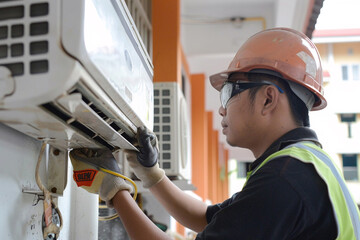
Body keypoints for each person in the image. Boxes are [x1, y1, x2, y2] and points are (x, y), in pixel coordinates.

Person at [70, 27, 360, 239]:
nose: (222, 110)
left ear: (268, 99)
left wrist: (114, 191)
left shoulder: (285, 179)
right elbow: (207, 219)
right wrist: (151, 174)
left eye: (229, 93)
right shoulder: (305, 167)